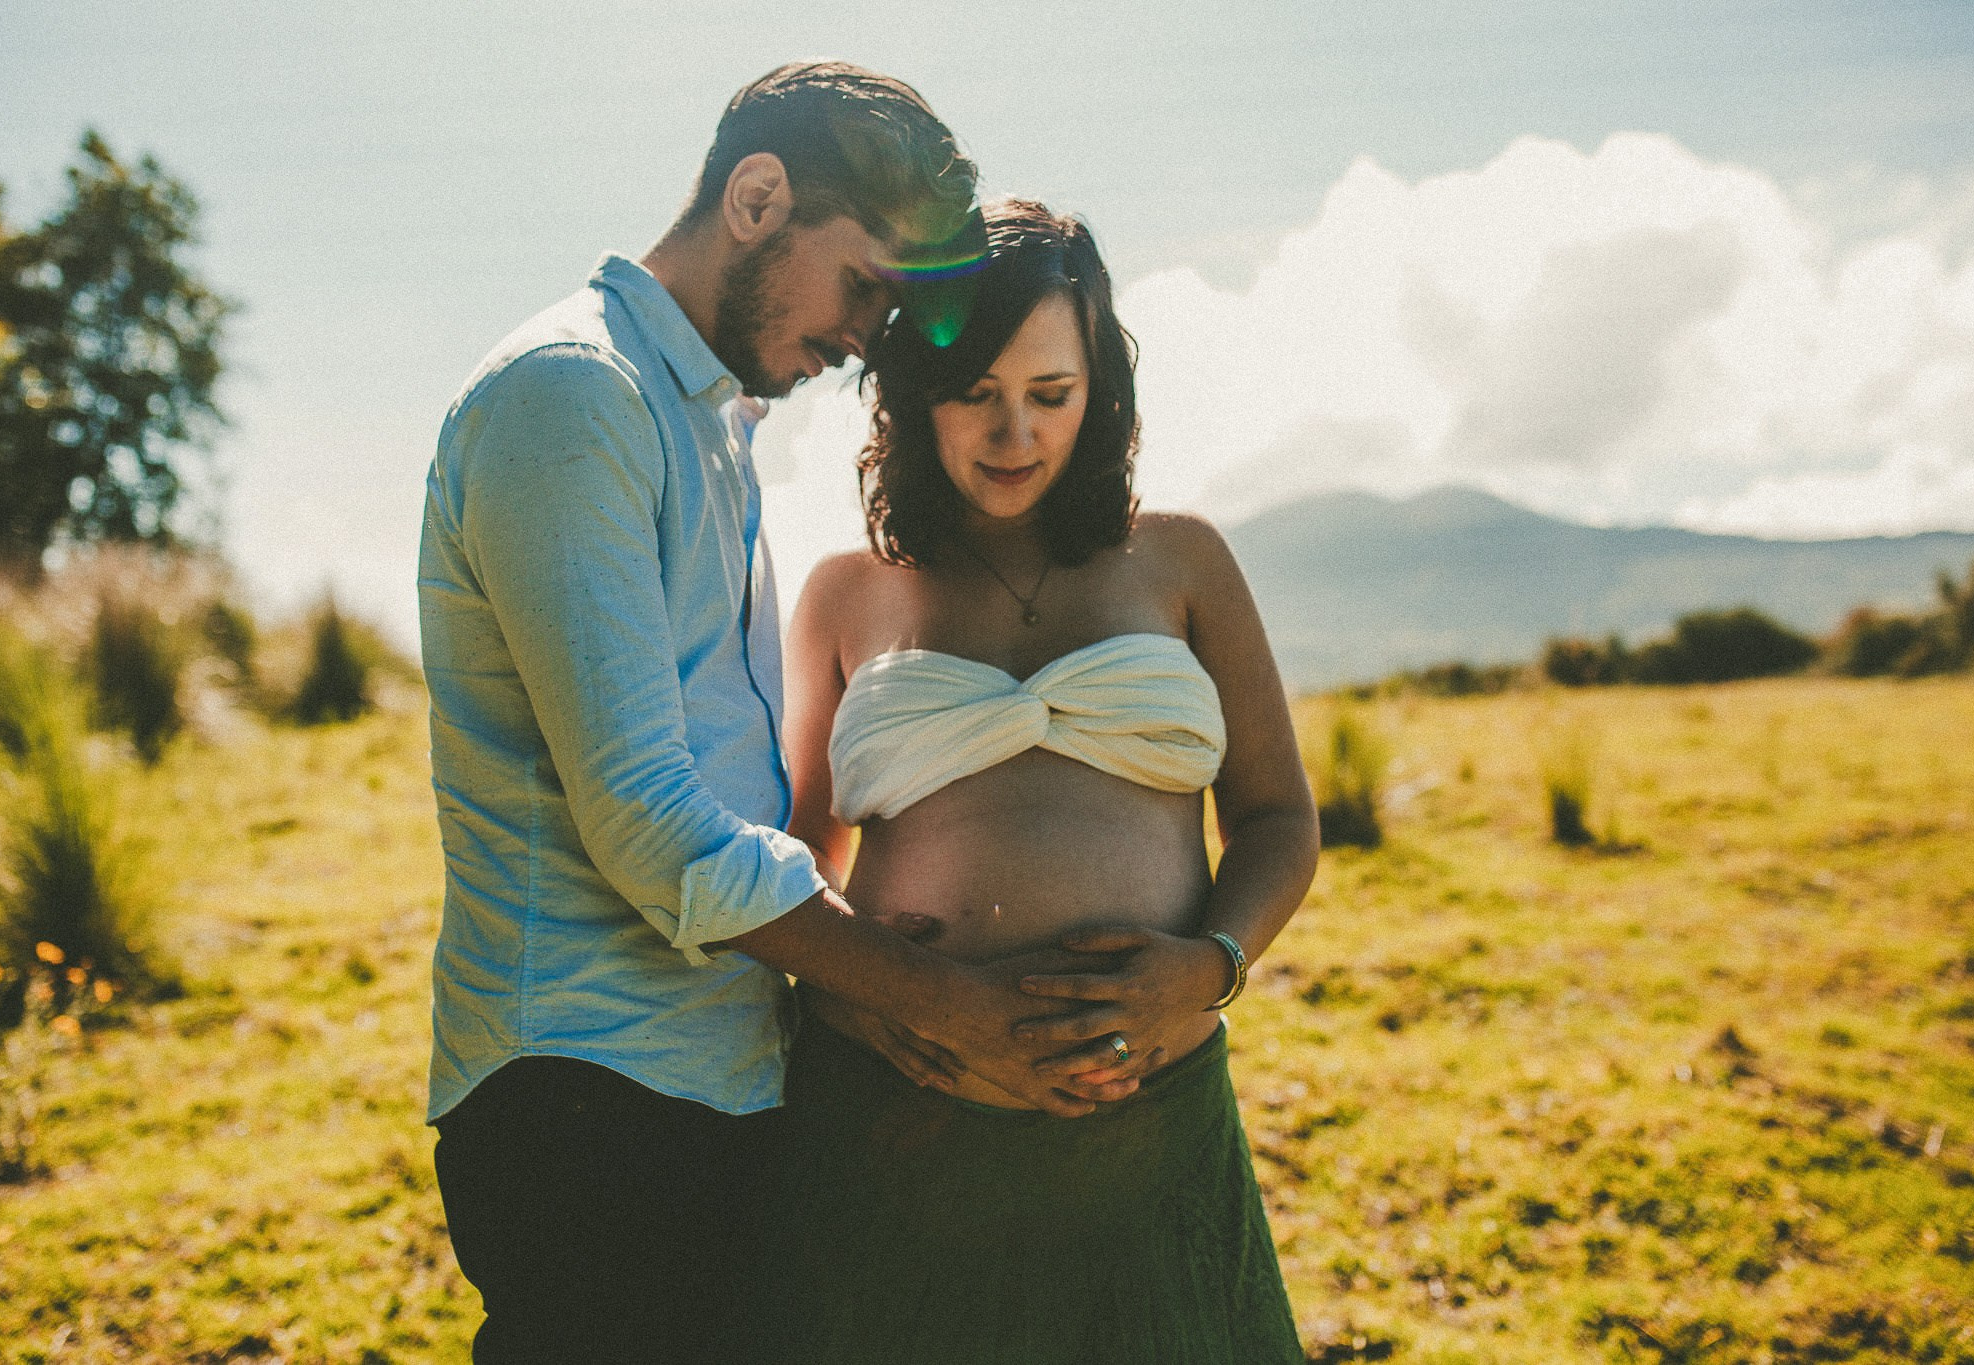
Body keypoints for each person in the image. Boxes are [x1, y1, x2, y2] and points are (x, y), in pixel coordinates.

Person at [417, 68, 1159, 1364]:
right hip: (586, 1113)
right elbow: (650, 824)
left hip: (706, 1088)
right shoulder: (573, 399)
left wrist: (843, 1004)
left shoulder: (708, 425)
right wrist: (937, 999)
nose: (873, 337)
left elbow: (732, 785)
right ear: (758, 198)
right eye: (867, 286)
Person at [767, 199, 1321, 1363]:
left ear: (1098, 392)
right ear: (914, 396)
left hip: (1146, 1130)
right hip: (893, 1121)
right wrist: (855, 997)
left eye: (1050, 394)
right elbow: (792, 865)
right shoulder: (842, 593)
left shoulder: (1181, 561)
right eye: (975, 393)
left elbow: (1274, 818)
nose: (1012, 432)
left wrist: (1208, 969)